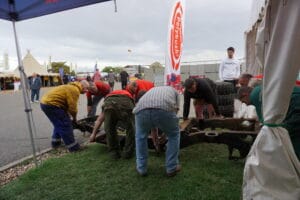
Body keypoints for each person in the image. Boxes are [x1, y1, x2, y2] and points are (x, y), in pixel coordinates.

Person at [133, 86, 181, 177]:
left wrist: (157, 141)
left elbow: (151, 120)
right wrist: (166, 133)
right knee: (174, 135)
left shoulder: (151, 91)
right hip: (163, 108)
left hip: (141, 109)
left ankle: (141, 168)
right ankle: (171, 168)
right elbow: (174, 112)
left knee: (140, 137)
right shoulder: (175, 92)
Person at [250, 85, 300, 160]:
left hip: (296, 109)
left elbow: (266, 122)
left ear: (245, 95)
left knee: (291, 138)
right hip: (294, 106)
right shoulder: (260, 90)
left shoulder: (255, 96)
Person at [40, 80, 89, 152]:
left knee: (58, 123)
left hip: (46, 103)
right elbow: (73, 108)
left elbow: (65, 103)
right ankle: (74, 147)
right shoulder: (75, 90)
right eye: (86, 88)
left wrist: (67, 114)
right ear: (82, 86)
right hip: (52, 105)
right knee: (65, 124)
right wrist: (74, 119)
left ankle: (56, 142)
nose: (87, 91)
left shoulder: (71, 86)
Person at [102, 89, 135, 159]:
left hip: (108, 102)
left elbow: (100, 120)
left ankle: (114, 153)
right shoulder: (129, 94)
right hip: (126, 102)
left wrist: (93, 134)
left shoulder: (112, 93)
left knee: (110, 128)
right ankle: (127, 153)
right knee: (131, 129)